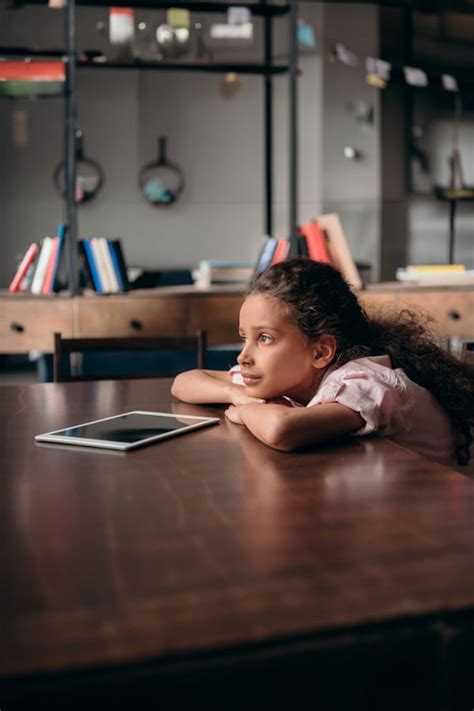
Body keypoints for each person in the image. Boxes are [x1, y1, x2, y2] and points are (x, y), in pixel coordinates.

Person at [172, 258, 473, 467]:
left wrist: (247, 410)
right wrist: (236, 394)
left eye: (264, 338)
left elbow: (281, 430)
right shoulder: (289, 375)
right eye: (244, 338)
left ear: (319, 353)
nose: (243, 356)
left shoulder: (364, 383)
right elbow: (184, 381)